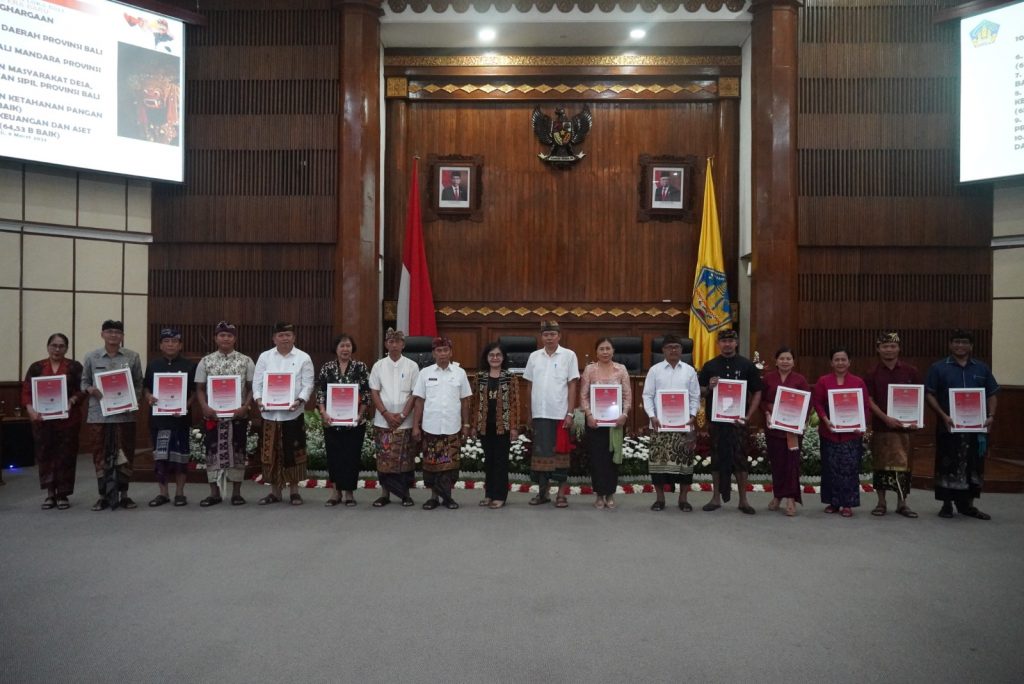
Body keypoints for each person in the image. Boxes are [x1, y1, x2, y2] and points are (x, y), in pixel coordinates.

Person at [925, 329, 999, 520]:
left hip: (976, 428)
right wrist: (943, 415)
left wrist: (991, 415)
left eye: (964, 342)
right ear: (950, 344)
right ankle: (947, 504)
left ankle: (968, 505)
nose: (960, 345)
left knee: (973, 464)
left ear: (971, 346)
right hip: (949, 425)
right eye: (956, 342)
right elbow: (930, 394)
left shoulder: (981, 368)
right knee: (947, 464)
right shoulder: (938, 368)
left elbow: (992, 393)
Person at [81, 320, 144, 511]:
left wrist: (132, 401)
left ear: (122, 336)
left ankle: (124, 495)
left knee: (125, 454)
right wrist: (90, 389)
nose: (113, 335)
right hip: (99, 415)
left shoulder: (132, 357)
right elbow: (84, 382)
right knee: (100, 455)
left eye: (117, 332)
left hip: (125, 415)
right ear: (102, 334)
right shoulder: (91, 357)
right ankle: (103, 496)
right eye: (109, 331)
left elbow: (138, 384)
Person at [698, 329, 762, 514]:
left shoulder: (747, 365)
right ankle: (715, 498)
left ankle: (743, 500)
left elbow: (757, 391)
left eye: (730, 341)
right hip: (716, 422)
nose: (727, 344)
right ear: (718, 343)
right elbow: (700, 391)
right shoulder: (710, 365)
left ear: (736, 343)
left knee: (740, 460)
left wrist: (748, 416)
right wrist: (709, 387)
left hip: (738, 423)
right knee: (716, 459)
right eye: (723, 341)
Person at [252, 322, 315, 506]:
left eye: (288, 335)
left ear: (294, 337)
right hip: (269, 415)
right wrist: (258, 399)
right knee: (270, 453)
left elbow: (308, 385)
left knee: (294, 452)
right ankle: (275, 492)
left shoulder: (303, 358)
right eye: (281, 335)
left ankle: (295, 492)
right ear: (274, 338)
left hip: (293, 415)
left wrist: (300, 400)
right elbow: (257, 383)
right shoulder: (265, 357)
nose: (285, 338)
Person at [22, 333, 87, 510]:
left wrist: (72, 400)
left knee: (66, 455)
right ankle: (50, 493)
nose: (57, 349)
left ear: (66, 348)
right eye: (54, 345)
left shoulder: (74, 367)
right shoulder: (36, 367)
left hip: (68, 420)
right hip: (42, 420)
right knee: (45, 455)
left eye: (61, 346)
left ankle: (63, 494)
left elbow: (83, 389)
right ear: (48, 346)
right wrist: (30, 409)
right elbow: (26, 391)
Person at [194, 321, 255, 506]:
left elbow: (252, 388)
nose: (225, 338)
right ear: (216, 338)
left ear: (234, 339)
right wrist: (204, 406)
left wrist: (246, 406)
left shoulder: (246, 361)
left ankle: (237, 493)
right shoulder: (206, 361)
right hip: (213, 416)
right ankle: (214, 493)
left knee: (238, 452)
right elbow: (199, 388)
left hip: (237, 416)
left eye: (229, 335)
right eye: (222, 335)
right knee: (212, 453)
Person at [523, 320, 580, 508]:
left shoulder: (569, 355)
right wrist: (529, 413)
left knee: (560, 455)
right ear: (541, 337)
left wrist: (570, 413)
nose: (549, 338)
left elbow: (572, 385)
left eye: (552, 334)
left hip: (560, 414)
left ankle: (561, 495)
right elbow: (529, 386)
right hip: (540, 414)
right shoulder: (534, 357)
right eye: (546, 334)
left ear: (559, 336)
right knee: (541, 456)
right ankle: (543, 493)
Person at [864, 331, 922, 518]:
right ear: (878, 349)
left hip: (906, 430)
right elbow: (869, 400)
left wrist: (916, 420)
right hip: (882, 427)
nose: (889, 350)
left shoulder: (910, 371)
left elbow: (918, 397)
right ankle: (881, 502)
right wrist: (885, 418)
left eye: (893, 346)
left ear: (899, 348)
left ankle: (902, 503)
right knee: (880, 465)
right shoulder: (872, 373)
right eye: (885, 346)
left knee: (905, 466)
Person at [641, 334, 700, 511]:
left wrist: (692, 415)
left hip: (684, 424)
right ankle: (660, 499)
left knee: (685, 465)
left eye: (676, 347)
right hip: (659, 424)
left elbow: (695, 396)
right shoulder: (654, 370)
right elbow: (647, 395)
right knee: (658, 464)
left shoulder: (689, 371)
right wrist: (652, 416)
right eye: (669, 347)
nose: (673, 350)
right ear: (663, 350)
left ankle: (683, 499)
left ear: (682, 350)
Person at [412, 337, 472, 510]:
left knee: (449, 465)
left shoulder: (459, 373)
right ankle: (433, 498)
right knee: (431, 464)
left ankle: (448, 497)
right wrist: (415, 426)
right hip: (431, 426)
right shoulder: (425, 373)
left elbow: (465, 401)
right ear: (433, 354)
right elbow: (419, 401)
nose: (442, 354)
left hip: (452, 427)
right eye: (439, 351)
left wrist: (466, 425)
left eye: (445, 350)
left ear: (451, 352)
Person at [812, 346, 870, 518]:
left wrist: (861, 424)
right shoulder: (823, 381)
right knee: (830, 468)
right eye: (836, 359)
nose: (840, 363)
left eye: (843, 359)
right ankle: (833, 502)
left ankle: (848, 503)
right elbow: (817, 403)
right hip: (829, 431)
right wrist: (825, 419)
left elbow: (865, 406)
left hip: (851, 434)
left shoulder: (858, 382)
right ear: (831, 362)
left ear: (849, 362)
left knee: (849, 468)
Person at [316, 333, 371, 507]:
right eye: (342, 346)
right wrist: (323, 412)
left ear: (352, 348)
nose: (345, 349)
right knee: (334, 456)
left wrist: (360, 414)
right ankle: (335, 492)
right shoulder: (327, 367)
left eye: (348, 346)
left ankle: (349, 493)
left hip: (355, 421)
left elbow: (366, 393)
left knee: (351, 456)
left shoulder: (360, 367)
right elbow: (320, 392)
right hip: (332, 421)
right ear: (336, 348)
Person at [143, 327, 196, 507]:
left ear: (180, 345)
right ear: (160, 345)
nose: (170, 344)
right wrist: (148, 396)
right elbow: (146, 388)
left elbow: (195, 392)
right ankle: (163, 493)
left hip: (181, 419)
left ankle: (180, 493)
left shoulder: (189, 366)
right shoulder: (153, 365)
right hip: (159, 420)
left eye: (174, 341)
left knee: (181, 457)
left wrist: (185, 405)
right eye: (166, 341)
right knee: (161, 458)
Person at [368, 328, 420, 507]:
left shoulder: (412, 366)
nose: (394, 345)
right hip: (383, 421)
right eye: (391, 342)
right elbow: (374, 392)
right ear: (386, 344)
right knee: (384, 460)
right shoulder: (378, 365)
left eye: (398, 342)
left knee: (405, 460)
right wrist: (386, 414)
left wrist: (404, 414)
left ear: (403, 344)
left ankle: (406, 495)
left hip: (405, 421)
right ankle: (385, 494)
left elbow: (415, 394)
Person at [579, 338, 631, 509]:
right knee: (597, 459)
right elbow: (583, 395)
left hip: (616, 422)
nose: (605, 352)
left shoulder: (621, 369)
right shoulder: (590, 370)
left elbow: (627, 395)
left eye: (608, 348)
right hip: (595, 422)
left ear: (613, 351)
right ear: (596, 352)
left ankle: (610, 494)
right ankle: (599, 495)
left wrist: (624, 414)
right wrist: (589, 415)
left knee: (612, 459)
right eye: (601, 349)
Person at [760, 346, 811, 516]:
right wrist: (767, 412)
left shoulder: (800, 380)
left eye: (788, 358)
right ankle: (778, 495)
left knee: (792, 463)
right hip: (774, 428)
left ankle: (791, 498)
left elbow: (807, 403)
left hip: (792, 431)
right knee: (777, 463)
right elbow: (761, 400)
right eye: (782, 358)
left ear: (793, 362)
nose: (785, 361)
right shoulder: (769, 378)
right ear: (776, 361)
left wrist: (800, 421)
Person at [473, 342, 520, 509]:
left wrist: (514, 427)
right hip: (485, 425)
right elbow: (474, 403)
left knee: (500, 462)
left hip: (503, 426)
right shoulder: (479, 377)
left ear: (503, 358)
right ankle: (489, 494)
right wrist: (474, 425)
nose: (495, 358)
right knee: (489, 461)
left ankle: (500, 496)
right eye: (491, 355)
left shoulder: (510, 377)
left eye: (498, 355)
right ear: (486, 357)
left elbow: (515, 403)